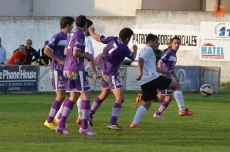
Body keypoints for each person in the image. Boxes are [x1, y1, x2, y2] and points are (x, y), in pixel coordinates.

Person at [130, 34, 194, 128]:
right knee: (176, 86)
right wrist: (139, 73)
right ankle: (182, 110)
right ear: (150, 42)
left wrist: (166, 71)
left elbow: (153, 67)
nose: (158, 44)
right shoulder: (148, 49)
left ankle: (134, 123)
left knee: (148, 103)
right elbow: (140, 60)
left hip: (145, 82)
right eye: (156, 42)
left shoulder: (144, 50)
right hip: (152, 78)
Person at [88, 26, 137, 131]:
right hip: (111, 74)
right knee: (120, 98)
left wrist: (91, 31)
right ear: (128, 38)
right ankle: (112, 122)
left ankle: (89, 114)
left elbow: (98, 38)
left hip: (104, 71)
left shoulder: (112, 39)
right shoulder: (124, 48)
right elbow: (132, 57)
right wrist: (135, 49)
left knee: (104, 94)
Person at [56, 15, 97, 136]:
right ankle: (84, 127)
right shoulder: (80, 35)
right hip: (76, 68)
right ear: (85, 25)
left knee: (73, 97)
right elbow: (75, 52)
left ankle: (61, 125)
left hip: (67, 68)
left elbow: (65, 52)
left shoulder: (70, 34)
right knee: (86, 96)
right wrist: (88, 56)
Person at [43, 16, 75, 130]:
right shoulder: (57, 36)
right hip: (57, 69)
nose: (72, 27)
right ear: (67, 25)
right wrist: (59, 60)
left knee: (70, 95)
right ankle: (49, 121)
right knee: (60, 96)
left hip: (66, 69)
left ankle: (58, 119)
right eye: (72, 25)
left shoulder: (70, 37)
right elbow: (46, 50)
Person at [153, 36, 186, 119]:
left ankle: (157, 113)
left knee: (166, 97)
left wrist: (175, 77)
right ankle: (182, 110)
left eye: (178, 43)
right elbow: (160, 62)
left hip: (168, 77)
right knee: (165, 97)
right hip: (164, 77)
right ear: (171, 44)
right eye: (175, 43)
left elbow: (171, 69)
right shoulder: (169, 52)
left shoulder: (174, 55)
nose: (177, 45)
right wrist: (161, 74)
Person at [74, 19, 97, 126]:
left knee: (74, 96)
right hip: (80, 70)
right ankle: (84, 121)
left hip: (71, 68)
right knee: (85, 95)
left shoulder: (72, 36)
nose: (92, 30)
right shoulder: (86, 40)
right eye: (91, 28)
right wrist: (95, 72)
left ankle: (80, 118)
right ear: (86, 27)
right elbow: (90, 58)